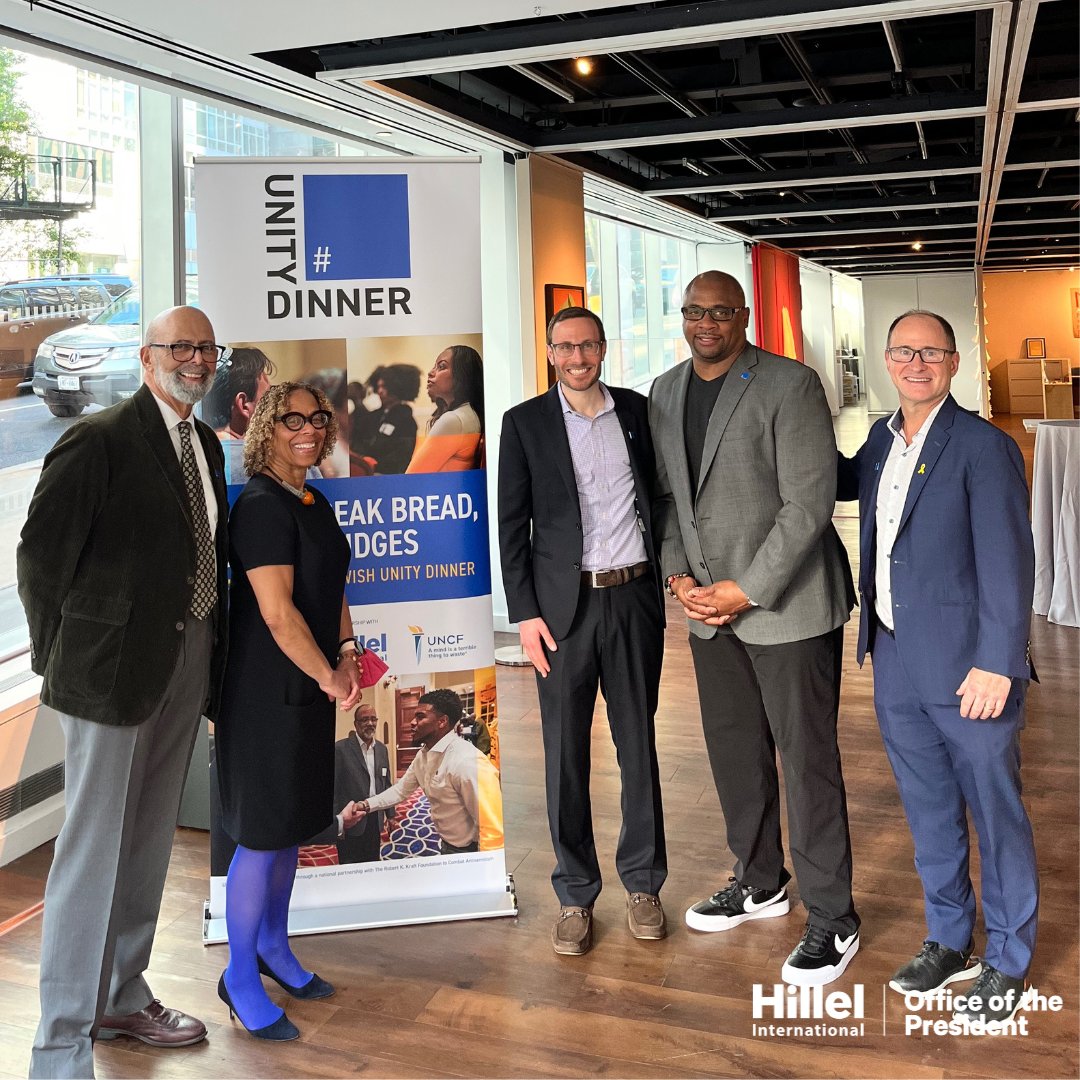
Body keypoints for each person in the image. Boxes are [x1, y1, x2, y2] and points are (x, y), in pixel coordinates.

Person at [18, 306, 229, 1079]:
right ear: (147, 358)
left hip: (187, 655)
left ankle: (120, 993)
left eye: (206, 347)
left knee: (145, 842)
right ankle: (59, 1045)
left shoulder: (203, 442)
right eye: (181, 347)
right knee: (91, 850)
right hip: (107, 675)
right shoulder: (99, 440)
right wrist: (62, 661)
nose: (196, 359)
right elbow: (41, 559)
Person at [649, 271, 858, 987]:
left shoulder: (790, 384)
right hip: (710, 615)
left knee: (806, 763)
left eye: (721, 312)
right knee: (736, 756)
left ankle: (834, 917)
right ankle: (760, 880)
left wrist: (745, 589)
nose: (706, 323)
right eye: (694, 313)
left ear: (743, 316)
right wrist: (679, 578)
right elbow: (673, 499)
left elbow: (808, 503)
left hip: (787, 607)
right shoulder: (666, 390)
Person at [837, 310, 1038, 1026]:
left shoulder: (984, 446)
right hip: (893, 659)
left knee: (996, 815)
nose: (915, 363)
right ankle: (949, 939)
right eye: (903, 351)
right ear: (887, 361)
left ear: (953, 363)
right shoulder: (877, 442)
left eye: (931, 352)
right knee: (928, 814)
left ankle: (1009, 956)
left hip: (969, 670)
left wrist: (999, 663)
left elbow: (1011, 563)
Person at [498, 305, 667, 957]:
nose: (577, 357)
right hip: (561, 614)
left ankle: (645, 884)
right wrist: (526, 614)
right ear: (549, 351)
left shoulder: (635, 411)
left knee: (638, 746)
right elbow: (512, 526)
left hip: (633, 602)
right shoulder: (524, 425)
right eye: (565, 347)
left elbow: (656, 499)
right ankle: (575, 893)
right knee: (565, 754)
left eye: (588, 345)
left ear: (603, 347)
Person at [214, 381, 363, 1042]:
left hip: (306, 688)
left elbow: (330, 588)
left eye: (316, 418)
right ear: (265, 428)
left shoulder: (312, 498)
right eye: (290, 419)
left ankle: (275, 947)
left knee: (291, 828)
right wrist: (329, 674)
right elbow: (277, 617)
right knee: (261, 832)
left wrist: (350, 651)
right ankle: (239, 974)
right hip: (264, 695)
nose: (306, 428)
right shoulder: (261, 508)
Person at [358, 689, 503, 855]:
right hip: (446, 844)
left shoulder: (467, 761)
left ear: (442, 721)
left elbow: (493, 831)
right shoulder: (423, 754)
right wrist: (366, 805)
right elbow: (400, 790)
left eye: (420, 717)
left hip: (469, 851)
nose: (412, 722)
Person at [199, 346, 274, 483]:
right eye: (268, 397)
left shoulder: (198, 452)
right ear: (244, 404)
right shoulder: (258, 464)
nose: (276, 407)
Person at [406, 345, 484, 473]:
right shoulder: (469, 413)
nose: (430, 372)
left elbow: (412, 478)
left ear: (462, 375)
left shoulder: (453, 420)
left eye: (441, 366)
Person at [331, 703, 394, 864]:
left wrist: (390, 815)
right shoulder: (340, 749)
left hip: (374, 815)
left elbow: (386, 784)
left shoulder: (381, 749)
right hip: (350, 817)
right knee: (349, 864)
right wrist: (337, 821)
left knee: (372, 859)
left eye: (373, 719)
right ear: (356, 724)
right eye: (364, 720)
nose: (370, 723)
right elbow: (333, 789)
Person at [351, 364, 420, 475]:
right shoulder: (373, 416)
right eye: (378, 387)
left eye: (384, 387)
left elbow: (401, 457)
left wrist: (376, 465)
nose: (380, 391)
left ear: (397, 388)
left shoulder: (407, 421)